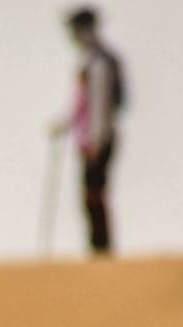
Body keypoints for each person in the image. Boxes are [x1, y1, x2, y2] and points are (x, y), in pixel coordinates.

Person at [59, 7, 127, 257]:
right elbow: (81, 104)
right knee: (90, 196)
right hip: (87, 139)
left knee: (94, 195)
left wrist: (95, 141)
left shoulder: (99, 63)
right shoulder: (88, 62)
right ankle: (97, 246)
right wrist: (66, 125)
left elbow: (100, 105)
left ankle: (101, 248)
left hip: (97, 140)